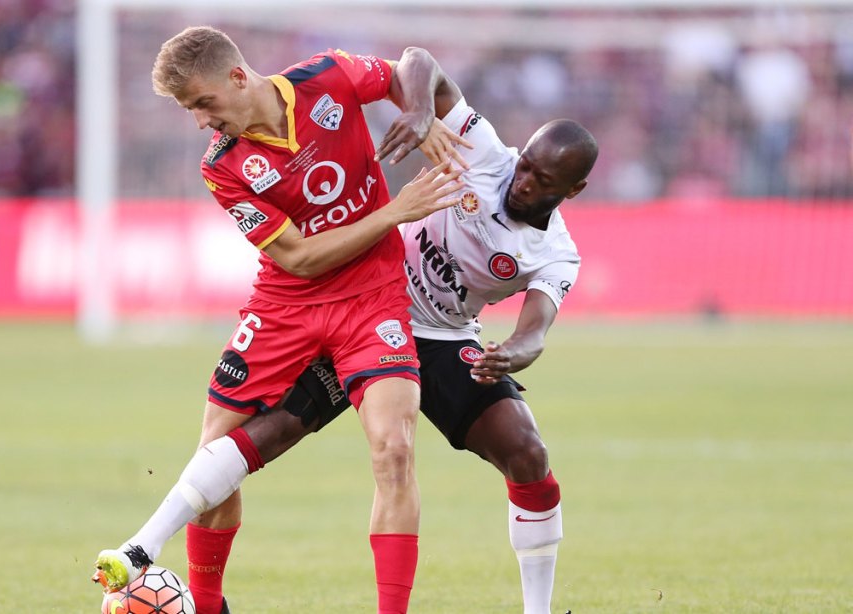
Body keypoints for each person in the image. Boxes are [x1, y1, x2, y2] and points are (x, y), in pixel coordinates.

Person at [112, 56, 600, 614]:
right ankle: (167, 565)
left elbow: (537, 326)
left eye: (542, 179)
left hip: (439, 336)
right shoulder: (485, 152)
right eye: (526, 163)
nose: (524, 178)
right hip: (361, 299)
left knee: (524, 452)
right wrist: (419, 114)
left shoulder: (557, 253)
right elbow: (418, 63)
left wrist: (513, 350)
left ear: (575, 189)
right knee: (251, 440)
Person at [93, 27, 467, 614]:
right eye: (191, 110)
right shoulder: (223, 167)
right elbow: (299, 257)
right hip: (285, 306)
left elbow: (415, 63)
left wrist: (419, 112)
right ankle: (209, 605)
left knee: (393, 448)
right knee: (213, 451)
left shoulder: (328, 77)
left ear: (238, 78)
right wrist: (395, 212)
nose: (200, 122)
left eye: (204, 103)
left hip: (373, 297)